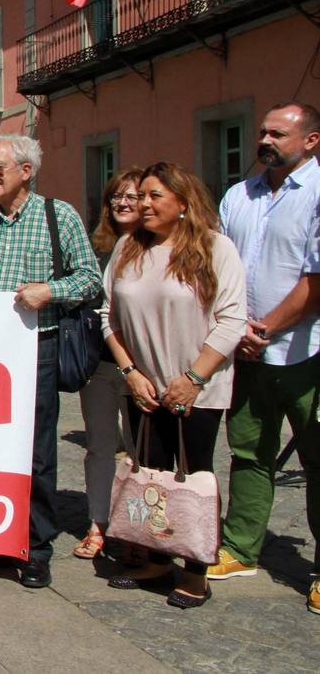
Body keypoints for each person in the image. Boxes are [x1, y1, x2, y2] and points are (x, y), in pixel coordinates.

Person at [0, 134, 101, 589]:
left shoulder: (59, 216)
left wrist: (50, 291)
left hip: (39, 348)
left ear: (26, 171)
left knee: (36, 451)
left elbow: (90, 279)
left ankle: (35, 547)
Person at [101, 162, 247, 608]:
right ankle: (157, 558)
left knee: (193, 477)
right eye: (140, 195)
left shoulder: (215, 248)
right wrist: (130, 373)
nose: (142, 204)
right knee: (151, 471)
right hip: (142, 385)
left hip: (197, 387)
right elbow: (107, 316)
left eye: (154, 196)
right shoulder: (127, 247)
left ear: (183, 203)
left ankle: (196, 571)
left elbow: (232, 320)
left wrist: (193, 378)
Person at [210, 102, 320, 616]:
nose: (265, 140)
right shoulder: (239, 195)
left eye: (278, 133)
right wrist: (238, 330)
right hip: (247, 351)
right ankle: (240, 547)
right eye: (262, 132)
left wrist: (268, 327)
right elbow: (218, 266)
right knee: (250, 452)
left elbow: (316, 278)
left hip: (306, 350)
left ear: (311, 140)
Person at [73, 167, 143, 562]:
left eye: (132, 196)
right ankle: (97, 523)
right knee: (99, 445)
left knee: (139, 449)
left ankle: (136, 528)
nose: (123, 202)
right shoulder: (96, 246)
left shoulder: (155, 247)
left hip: (141, 365)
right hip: (98, 361)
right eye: (117, 195)